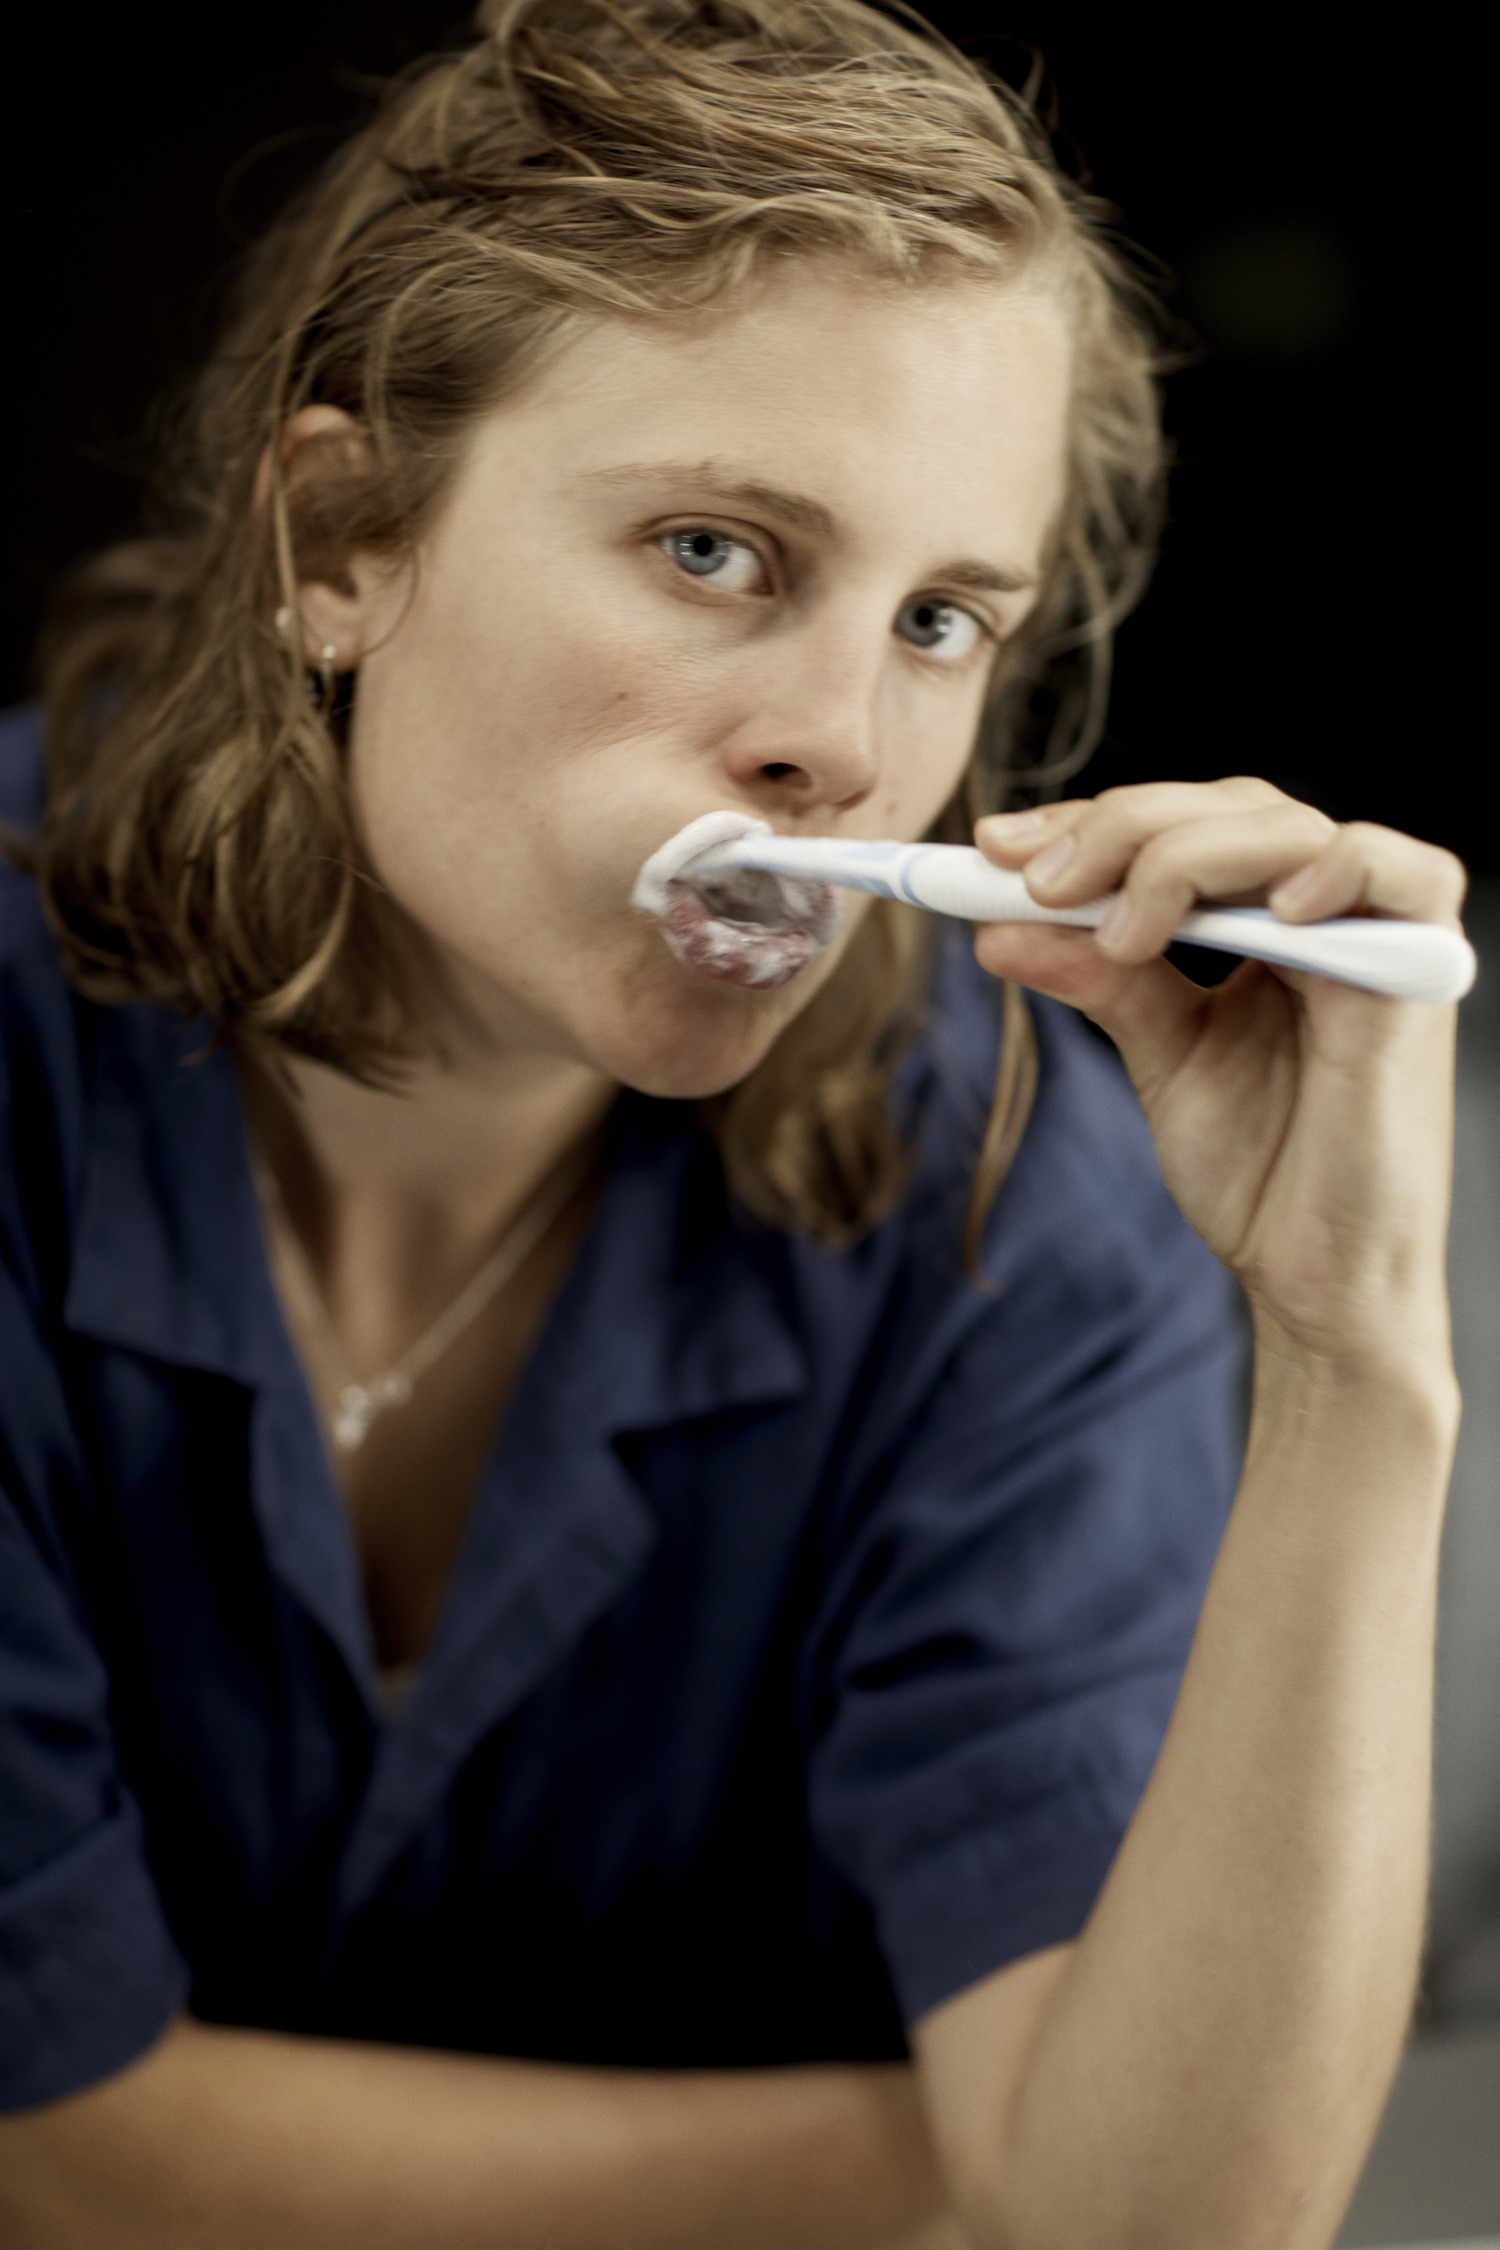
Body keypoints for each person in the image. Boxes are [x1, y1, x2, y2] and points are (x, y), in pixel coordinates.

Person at [0, 0, 1463, 2242]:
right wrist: (934, 2177)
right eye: (715, 551)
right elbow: (54, 2147)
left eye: (943, 616)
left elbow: (1158, 2222)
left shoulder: (1010, 1185)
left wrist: (1356, 1358)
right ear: (338, 542)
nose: (850, 748)